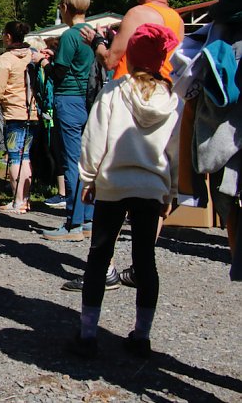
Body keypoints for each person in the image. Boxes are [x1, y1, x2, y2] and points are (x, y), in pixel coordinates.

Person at [67, 24, 181, 359]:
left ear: (130, 57)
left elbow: (94, 137)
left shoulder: (115, 92)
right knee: (146, 260)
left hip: (113, 183)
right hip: (151, 187)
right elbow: (175, 151)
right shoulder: (171, 99)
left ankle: (88, 335)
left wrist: (88, 179)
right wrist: (169, 192)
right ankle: (141, 337)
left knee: (99, 255)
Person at [39, 0, 95, 242]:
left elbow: (59, 73)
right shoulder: (89, 35)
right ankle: (88, 218)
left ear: (64, 8)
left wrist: (44, 63)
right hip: (85, 99)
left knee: (71, 161)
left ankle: (73, 222)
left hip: (67, 100)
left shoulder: (70, 35)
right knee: (86, 161)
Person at [0, 22, 40, 214]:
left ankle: (18, 201)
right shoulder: (31, 55)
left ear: (8, 37)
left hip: (14, 113)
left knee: (15, 157)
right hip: (32, 112)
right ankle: (25, 199)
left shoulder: (6, 59)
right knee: (25, 156)